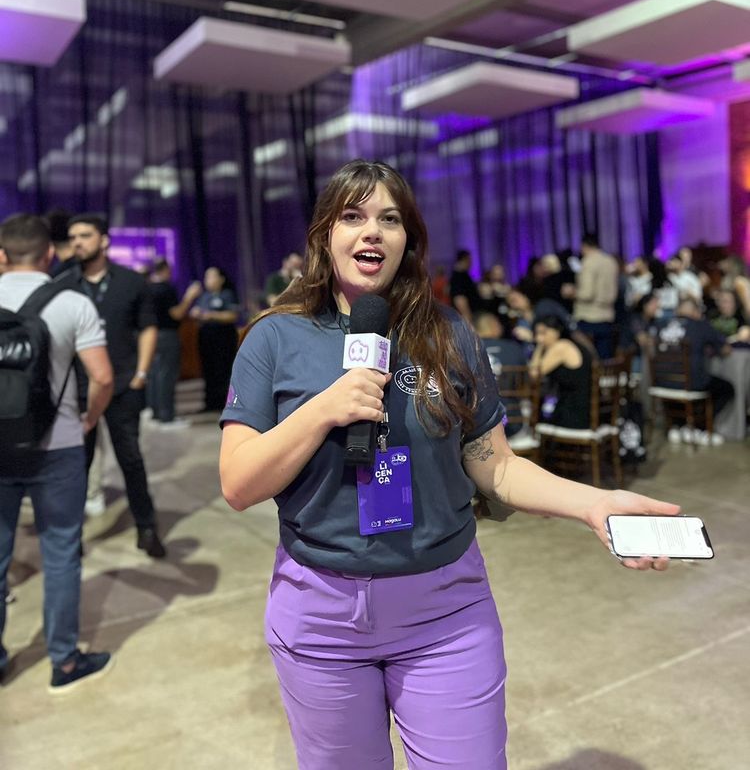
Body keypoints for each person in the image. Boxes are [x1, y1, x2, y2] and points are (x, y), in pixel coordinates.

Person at [219, 159, 680, 770]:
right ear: (324, 234)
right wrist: (325, 410)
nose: (372, 231)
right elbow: (238, 484)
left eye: (390, 219)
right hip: (321, 618)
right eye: (353, 216)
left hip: (446, 613)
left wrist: (594, 503)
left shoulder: (448, 334)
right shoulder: (274, 338)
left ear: (407, 239)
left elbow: (495, 465)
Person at [0, 215, 114, 691]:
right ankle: (64, 662)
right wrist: (87, 419)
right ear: (50, 254)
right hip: (60, 445)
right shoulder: (73, 303)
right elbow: (102, 377)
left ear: (1, 255)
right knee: (62, 552)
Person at [67, 214, 165, 559]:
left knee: (131, 459)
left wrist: (141, 375)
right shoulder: (64, 283)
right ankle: (70, 536)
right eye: (73, 237)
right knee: (76, 465)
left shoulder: (131, 281)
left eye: (85, 235)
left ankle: (146, 528)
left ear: (104, 240)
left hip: (123, 386)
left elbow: (148, 327)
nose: (77, 242)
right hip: (78, 390)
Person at [146, 259, 202, 427]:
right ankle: (167, 416)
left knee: (156, 374)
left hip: (152, 335)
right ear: (165, 269)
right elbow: (176, 314)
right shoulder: (166, 288)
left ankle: (156, 412)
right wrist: (189, 297)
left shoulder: (147, 287)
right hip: (167, 335)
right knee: (167, 375)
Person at [530, 314, 593, 430]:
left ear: (557, 331)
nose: (539, 338)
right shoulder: (573, 342)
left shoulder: (561, 347)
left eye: (543, 333)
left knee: (535, 417)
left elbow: (534, 374)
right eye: (537, 334)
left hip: (573, 414)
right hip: (585, 410)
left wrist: (539, 346)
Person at [191, 266, 239, 411]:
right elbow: (195, 315)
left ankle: (228, 403)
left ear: (221, 279)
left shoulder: (227, 294)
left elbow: (232, 315)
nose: (208, 280)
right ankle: (211, 403)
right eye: (206, 277)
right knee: (208, 371)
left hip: (224, 338)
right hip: (206, 338)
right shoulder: (204, 297)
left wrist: (211, 315)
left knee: (225, 371)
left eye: (212, 276)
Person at [573, 234, 619, 359]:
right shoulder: (610, 261)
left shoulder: (588, 262)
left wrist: (572, 292)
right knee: (606, 359)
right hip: (608, 316)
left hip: (589, 317)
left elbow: (587, 293)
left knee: (590, 359)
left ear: (584, 246)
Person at [449, 248, 479, 322]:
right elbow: (459, 298)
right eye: (470, 260)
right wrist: (468, 319)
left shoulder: (464, 274)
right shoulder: (459, 276)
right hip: (466, 318)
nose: (471, 263)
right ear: (465, 259)